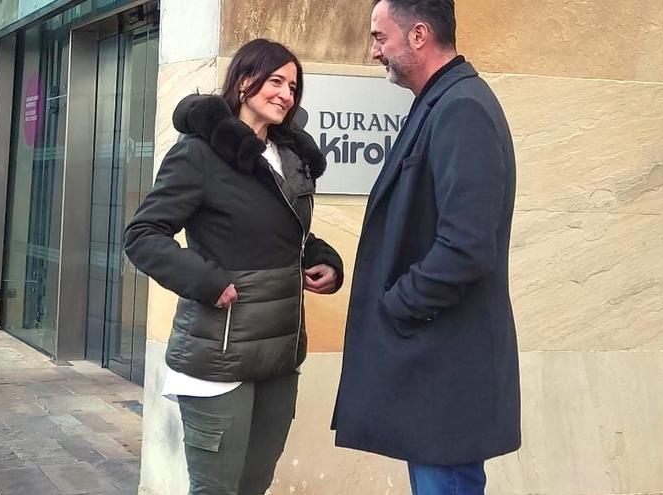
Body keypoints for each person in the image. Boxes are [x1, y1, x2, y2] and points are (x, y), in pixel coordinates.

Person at [124, 38, 344, 495]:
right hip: (217, 355)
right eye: (276, 81)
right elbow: (143, 236)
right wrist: (206, 280)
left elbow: (287, 235)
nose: (286, 93)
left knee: (254, 485)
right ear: (245, 82)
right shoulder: (199, 154)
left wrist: (323, 260)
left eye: (293, 86)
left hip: (280, 354)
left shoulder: (289, 158)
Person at [331, 1, 520, 494]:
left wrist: (398, 304)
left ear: (418, 35)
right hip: (435, 376)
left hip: (445, 378)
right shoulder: (442, 102)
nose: (374, 51)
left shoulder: (462, 108)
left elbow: (466, 247)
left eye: (379, 37)